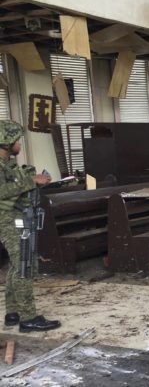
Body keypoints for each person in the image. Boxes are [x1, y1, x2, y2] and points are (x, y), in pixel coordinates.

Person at [0, 120, 61, 332]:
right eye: (17, 140)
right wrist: (31, 180)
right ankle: (28, 318)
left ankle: (13, 313)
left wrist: (32, 180)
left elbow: (13, 187)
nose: (19, 144)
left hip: (16, 216)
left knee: (17, 265)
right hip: (7, 219)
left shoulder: (7, 164)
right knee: (23, 265)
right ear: (7, 142)